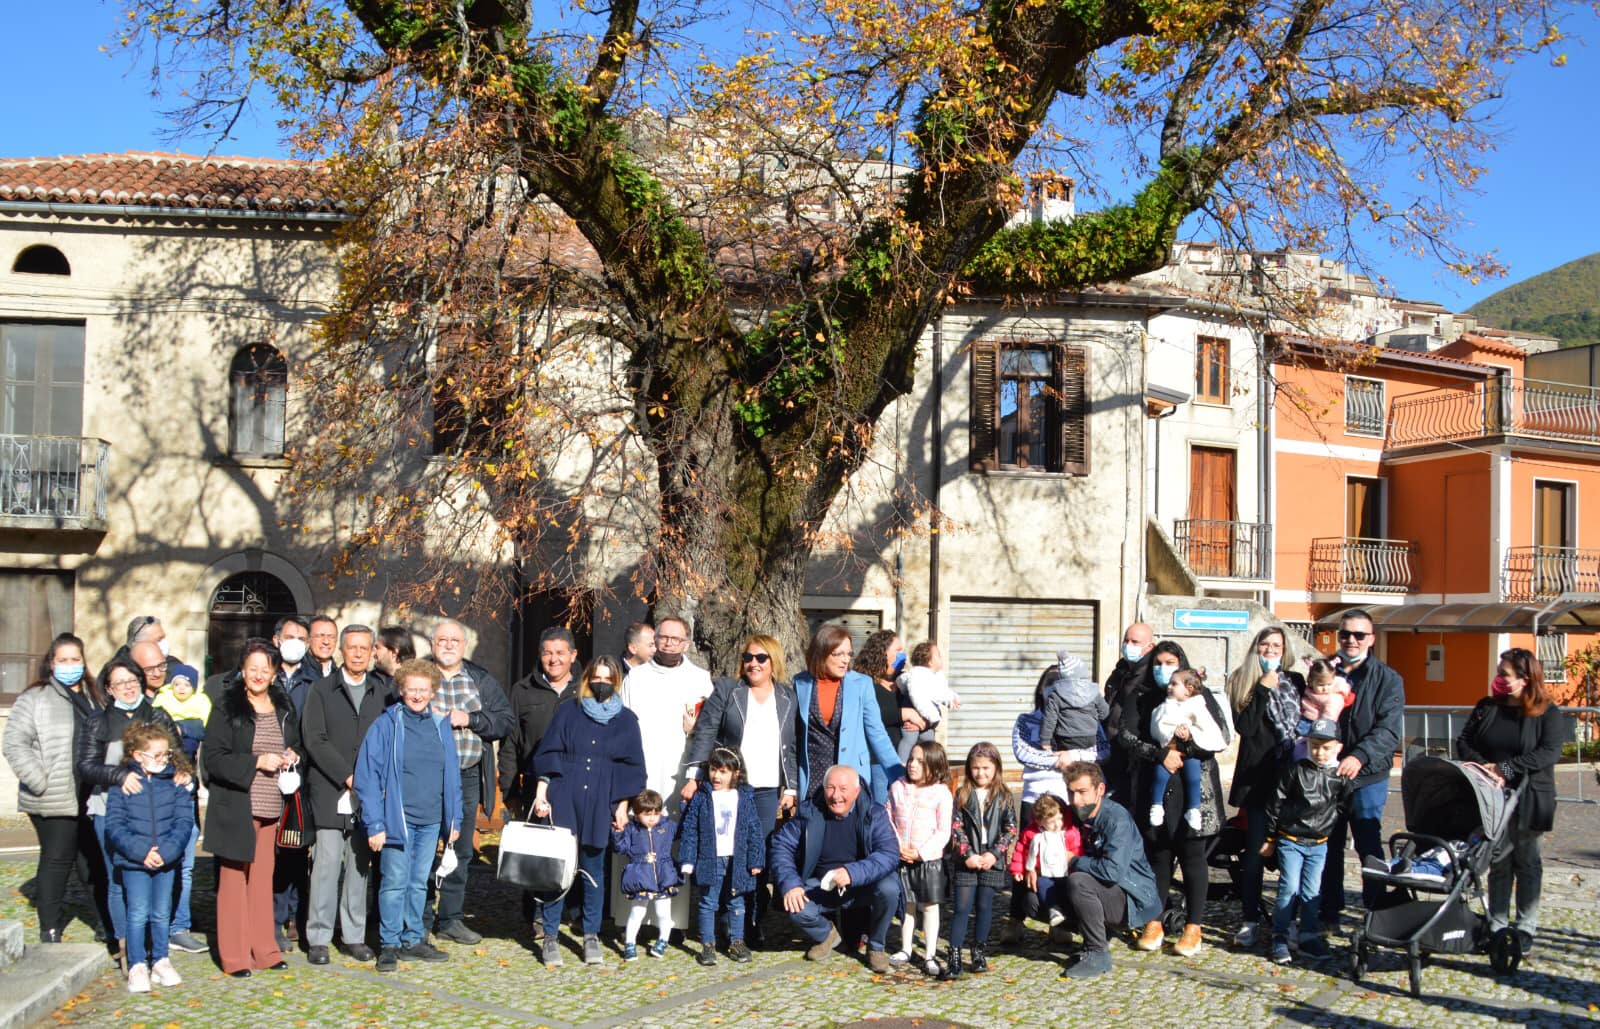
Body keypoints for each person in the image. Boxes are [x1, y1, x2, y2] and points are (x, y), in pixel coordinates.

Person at [681, 633, 799, 944]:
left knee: (754, 855)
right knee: (723, 852)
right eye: (748, 657)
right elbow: (706, 731)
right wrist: (694, 776)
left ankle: (750, 923)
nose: (753, 663)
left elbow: (792, 747)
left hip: (767, 790)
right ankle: (722, 921)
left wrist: (792, 788)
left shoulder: (788, 697)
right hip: (731, 787)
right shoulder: (727, 690)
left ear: (773, 662)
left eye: (761, 658)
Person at [530, 657, 647, 968]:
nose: (601, 683)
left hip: (601, 797)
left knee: (594, 870)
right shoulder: (569, 710)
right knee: (559, 869)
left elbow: (632, 767)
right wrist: (542, 795)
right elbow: (549, 753)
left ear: (616, 682)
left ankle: (591, 934)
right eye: (596, 677)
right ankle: (551, 935)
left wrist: (622, 805)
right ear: (586, 678)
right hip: (565, 793)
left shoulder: (626, 720)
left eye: (608, 679)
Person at [1118, 640, 1231, 957]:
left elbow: (1220, 735)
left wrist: (1188, 747)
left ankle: (1194, 925)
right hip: (1156, 785)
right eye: (1158, 662)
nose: (1162, 668)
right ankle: (1154, 919)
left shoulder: (1200, 695)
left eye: (1170, 662)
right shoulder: (1142, 696)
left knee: (1194, 855)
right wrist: (1160, 754)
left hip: (1195, 787)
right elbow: (1126, 735)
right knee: (1159, 856)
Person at [353, 659, 463, 973]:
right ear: (401, 690)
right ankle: (389, 944)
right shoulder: (387, 724)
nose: (417, 695)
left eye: (423, 689)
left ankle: (413, 939)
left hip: (431, 821)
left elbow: (451, 774)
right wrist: (375, 822)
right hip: (396, 821)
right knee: (394, 883)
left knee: (418, 883)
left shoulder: (441, 724)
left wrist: (454, 820)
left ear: (432, 692)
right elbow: (367, 776)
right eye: (411, 689)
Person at [1455, 647, 1566, 954]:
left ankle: (1526, 927)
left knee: (1528, 862)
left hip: (1529, 796)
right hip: (1491, 796)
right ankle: (1498, 925)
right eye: (1499, 673)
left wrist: (1506, 768)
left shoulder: (1546, 711)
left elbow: (1548, 752)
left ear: (1525, 679)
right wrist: (1486, 769)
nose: (1499, 679)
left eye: (1505, 674)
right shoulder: (1488, 707)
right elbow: (1464, 742)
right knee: (1499, 861)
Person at [202, 640, 299, 978]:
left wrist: (292, 753)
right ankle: (235, 956)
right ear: (242, 670)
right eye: (252, 668)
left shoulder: (283, 706)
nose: (259, 675)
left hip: (272, 806)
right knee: (233, 882)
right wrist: (257, 762)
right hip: (237, 805)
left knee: (262, 882)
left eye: (265, 669)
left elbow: (293, 741)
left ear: (274, 674)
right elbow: (212, 759)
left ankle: (265, 950)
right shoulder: (227, 706)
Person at [2, 633, 106, 943]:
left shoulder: (93, 698)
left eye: (75, 659)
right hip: (53, 796)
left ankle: (106, 925)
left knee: (93, 861)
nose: (70, 665)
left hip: (88, 795)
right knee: (57, 859)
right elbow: (14, 743)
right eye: (63, 660)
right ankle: (50, 928)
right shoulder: (34, 698)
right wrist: (40, 781)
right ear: (51, 663)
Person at [77, 656, 181, 962]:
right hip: (112, 809)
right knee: (118, 877)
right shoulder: (99, 721)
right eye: (119, 682)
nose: (127, 687)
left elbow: (177, 758)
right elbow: (85, 766)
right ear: (109, 689)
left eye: (132, 681)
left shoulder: (158, 716)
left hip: (157, 812)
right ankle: (125, 945)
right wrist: (120, 775)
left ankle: (154, 944)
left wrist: (183, 774)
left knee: (157, 875)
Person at [301, 624, 387, 965]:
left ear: (372, 652)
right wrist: (348, 775)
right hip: (329, 787)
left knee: (359, 865)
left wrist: (369, 781)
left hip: (367, 795)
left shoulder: (380, 692)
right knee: (325, 863)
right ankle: (319, 937)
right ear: (341, 650)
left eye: (364, 648)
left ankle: (353, 934)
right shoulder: (322, 690)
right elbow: (315, 738)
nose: (357, 654)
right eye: (351, 647)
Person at [425, 619, 514, 945]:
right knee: (423, 849)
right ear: (433, 644)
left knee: (459, 850)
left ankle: (450, 918)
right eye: (442, 640)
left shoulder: (480, 680)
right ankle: (420, 919)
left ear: (463, 646)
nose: (448, 645)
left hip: (466, 776)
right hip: (426, 779)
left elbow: (504, 721)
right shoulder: (419, 676)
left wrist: (471, 719)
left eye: (454, 640)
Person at [769, 765, 901, 973]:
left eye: (843, 789)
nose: (836, 796)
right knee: (796, 905)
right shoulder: (809, 811)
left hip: (863, 885)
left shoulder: (873, 813)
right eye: (830, 788)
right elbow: (781, 845)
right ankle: (827, 935)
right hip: (822, 885)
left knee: (890, 888)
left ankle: (876, 947)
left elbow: (889, 853)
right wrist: (791, 884)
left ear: (856, 792)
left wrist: (852, 873)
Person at [1319, 610, 1404, 926]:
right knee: (1328, 844)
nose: (1351, 640)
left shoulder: (1388, 678)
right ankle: (1328, 909)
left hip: (1368, 775)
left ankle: (1377, 912)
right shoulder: (1325, 670)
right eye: (1345, 635)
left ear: (1371, 639)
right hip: (1327, 774)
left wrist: (1360, 756)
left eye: (1358, 635)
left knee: (1368, 844)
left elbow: (1388, 730)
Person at [1225, 625, 1303, 950]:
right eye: (1265, 645)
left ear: (1285, 651)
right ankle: (1250, 919)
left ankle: (1289, 922)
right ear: (1256, 648)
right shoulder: (1243, 681)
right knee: (1255, 855)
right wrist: (1261, 690)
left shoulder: (1296, 682)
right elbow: (1245, 727)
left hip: (1292, 782)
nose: (1271, 651)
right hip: (1258, 784)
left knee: (1291, 856)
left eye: (1277, 646)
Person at [500, 626, 581, 937]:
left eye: (560, 653)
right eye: (547, 652)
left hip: (576, 785)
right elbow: (511, 744)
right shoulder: (523, 691)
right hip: (536, 786)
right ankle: (535, 914)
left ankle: (573, 911)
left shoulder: (585, 689)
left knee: (572, 851)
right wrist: (510, 789)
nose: (553, 659)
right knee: (537, 852)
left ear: (573, 656)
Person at [103, 723, 194, 993]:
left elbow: (183, 822)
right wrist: (142, 851)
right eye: (155, 755)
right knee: (138, 912)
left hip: (166, 860)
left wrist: (166, 852)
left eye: (165, 755)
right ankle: (137, 964)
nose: (161, 761)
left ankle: (160, 959)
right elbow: (115, 825)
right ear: (137, 755)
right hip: (135, 861)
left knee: (161, 912)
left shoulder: (175, 782)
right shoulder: (124, 784)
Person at [1054, 762, 1160, 980]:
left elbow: (1112, 872)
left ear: (1100, 790)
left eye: (1082, 792)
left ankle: (1098, 953)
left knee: (1079, 882)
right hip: (1106, 889)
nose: (1076, 801)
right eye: (1071, 793)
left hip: (1133, 898)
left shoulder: (1116, 819)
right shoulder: (1072, 814)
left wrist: (1073, 860)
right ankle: (1095, 934)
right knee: (1033, 897)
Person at [1261, 718, 1352, 964]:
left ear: (1338, 748)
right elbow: (1275, 803)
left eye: (1326, 747)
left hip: (1319, 843)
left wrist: (1331, 829)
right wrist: (1270, 837)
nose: (1319, 753)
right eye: (1314, 746)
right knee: (1289, 888)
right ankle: (1279, 935)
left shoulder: (1341, 777)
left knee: (1312, 892)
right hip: (1291, 839)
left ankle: (1309, 935)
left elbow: (1343, 806)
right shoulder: (1296, 770)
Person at [792, 624, 905, 799]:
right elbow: (794, 737)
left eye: (849, 653)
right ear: (821, 653)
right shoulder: (800, 683)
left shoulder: (862, 684)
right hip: (813, 778)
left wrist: (899, 776)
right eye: (839, 654)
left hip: (851, 777)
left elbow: (877, 733)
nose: (846, 660)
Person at [678, 746, 765, 966]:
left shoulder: (744, 797)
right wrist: (688, 859)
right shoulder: (702, 797)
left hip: (737, 859)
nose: (717, 776)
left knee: (736, 901)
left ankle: (737, 941)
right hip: (710, 858)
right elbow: (690, 829)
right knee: (708, 902)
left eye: (723, 771)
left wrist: (756, 859)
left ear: (736, 773)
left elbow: (755, 829)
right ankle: (708, 944)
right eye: (714, 769)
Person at [939, 741, 1016, 980]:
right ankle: (954, 955)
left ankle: (978, 950)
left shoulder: (1004, 796)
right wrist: (967, 854)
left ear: (996, 768)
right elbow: (956, 827)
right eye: (975, 768)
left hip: (991, 857)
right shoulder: (963, 794)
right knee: (962, 907)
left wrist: (994, 853)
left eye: (985, 768)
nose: (980, 773)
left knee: (985, 906)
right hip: (968, 857)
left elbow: (1010, 829)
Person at [620, 615, 714, 808]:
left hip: (681, 767)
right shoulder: (636, 678)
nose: (669, 643)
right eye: (663, 637)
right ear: (655, 640)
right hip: (643, 765)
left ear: (686, 644)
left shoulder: (700, 679)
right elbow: (622, 725)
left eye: (676, 639)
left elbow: (711, 729)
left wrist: (695, 729)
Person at [1004, 667, 1070, 942]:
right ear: (1041, 688)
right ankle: (1015, 918)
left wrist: (1073, 755)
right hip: (1033, 796)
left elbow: (1099, 749)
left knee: (1062, 861)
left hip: (1065, 798)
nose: (1054, 688)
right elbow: (1023, 752)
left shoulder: (1079, 720)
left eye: (1060, 683)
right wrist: (1057, 760)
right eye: (1049, 683)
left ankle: (1062, 922)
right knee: (1025, 854)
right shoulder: (1027, 720)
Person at [268, 615, 317, 951]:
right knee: (270, 853)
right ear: (276, 640)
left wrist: (297, 755)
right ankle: (270, 922)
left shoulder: (314, 681)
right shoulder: (265, 677)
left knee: (297, 850)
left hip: (302, 776)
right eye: (290, 636)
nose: (295, 641)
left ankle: (296, 919)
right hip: (266, 775)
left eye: (302, 637)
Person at [886, 741, 952, 975]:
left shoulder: (941, 793)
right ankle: (906, 948)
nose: (913, 765)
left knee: (930, 907)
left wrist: (922, 852)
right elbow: (889, 818)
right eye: (912, 759)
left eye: (921, 762)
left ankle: (931, 954)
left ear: (935, 766)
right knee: (907, 905)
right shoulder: (897, 787)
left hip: (928, 860)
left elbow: (943, 831)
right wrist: (898, 846)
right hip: (903, 856)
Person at [1147, 668, 1228, 832]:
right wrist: (1171, 732)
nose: (1169, 686)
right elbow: (1157, 724)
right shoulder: (1165, 705)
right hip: (1170, 750)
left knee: (1193, 777)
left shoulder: (1198, 706)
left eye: (1174, 684)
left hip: (1190, 751)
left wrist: (1190, 733)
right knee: (1160, 774)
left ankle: (1194, 808)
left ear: (1188, 690)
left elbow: (1208, 728)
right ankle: (1156, 805)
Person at [612, 790, 680, 961]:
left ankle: (663, 940)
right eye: (646, 814)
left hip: (663, 877)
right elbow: (621, 849)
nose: (652, 818)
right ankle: (629, 943)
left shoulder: (667, 826)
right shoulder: (632, 829)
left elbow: (684, 832)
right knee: (637, 912)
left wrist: (685, 806)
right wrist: (618, 832)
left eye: (655, 813)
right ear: (636, 814)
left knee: (663, 912)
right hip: (640, 877)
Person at [854, 630, 913, 805]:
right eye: (898, 649)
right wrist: (905, 714)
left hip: (903, 761)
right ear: (882, 652)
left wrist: (922, 720)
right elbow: (873, 715)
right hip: (877, 762)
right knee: (879, 810)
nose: (902, 655)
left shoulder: (903, 682)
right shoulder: (865, 683)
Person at [1102, 622, 1155, 803]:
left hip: (1134, 754)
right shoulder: (1120, 672)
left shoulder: (1150, 676)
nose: (1128, 645)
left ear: (1150, 647)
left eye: (1135, 642)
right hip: (1112, 750)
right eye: (1126, 640)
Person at [1015, 794, 1080, 931]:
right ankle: (1053, 909)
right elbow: (1021, 850)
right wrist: (1018, 869)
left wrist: (1075, 861)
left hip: (1064, 872)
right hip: (1043, 873)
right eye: (1051, 822)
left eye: (1060, 819)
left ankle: (1066, 921)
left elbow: (1077, 849)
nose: (1057, 824)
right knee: (1043, 886)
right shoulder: (1032, 834)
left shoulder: (1069, 833)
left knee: (1065, 891)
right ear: (1040, 822)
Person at [895, 642, 960, 763]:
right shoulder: (918, 675)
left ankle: (931, 766)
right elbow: (916, 697)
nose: (942, 658)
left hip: (927, 717)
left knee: (929, 742)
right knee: (909, 739)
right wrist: (930, 717)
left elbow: (942, 691)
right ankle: (901, 764)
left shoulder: (936, 676)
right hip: (914, 710)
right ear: (930, 662)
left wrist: (952, 698)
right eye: (939, 656)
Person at [1039, 648, 1109, 758]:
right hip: (1090, 737)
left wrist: (1045, 741)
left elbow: (1049, 719)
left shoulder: (1056, 694)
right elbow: (1104, 712)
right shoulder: (1094, 691)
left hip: (1066, 738)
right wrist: (1093, 718)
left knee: (1066, 761)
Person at [1297, 661, 1350, 753]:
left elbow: (1330, 715)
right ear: (1310, 682)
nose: (1325, 688)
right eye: (1321, 685)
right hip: (1306, 719)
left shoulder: (1333, 697)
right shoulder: (1309, 691)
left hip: (1321, 726)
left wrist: (1322, 728)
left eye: (1329, 684)